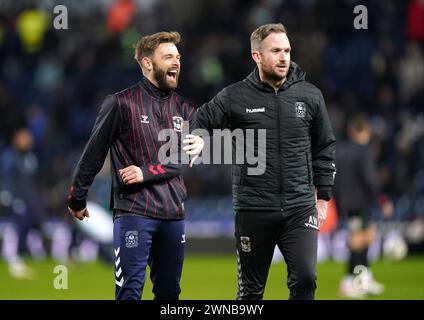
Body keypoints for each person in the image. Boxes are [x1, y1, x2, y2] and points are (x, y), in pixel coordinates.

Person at [186, 23, 336, 300]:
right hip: (253, 208)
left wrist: (323, 196)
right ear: (257, 56)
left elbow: (324, 147)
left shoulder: (310, 95)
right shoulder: (235, 96)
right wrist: (198, 136)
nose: (284, 57)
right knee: (251, 293)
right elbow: (201, 117)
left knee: (305, 278)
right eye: (276, 50)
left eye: (287, 50)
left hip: (300, 207)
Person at [67, 31, 197, 300]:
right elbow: (94, 152)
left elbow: (183, 159)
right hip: (134, 212)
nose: (176, 62)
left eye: (178, 57)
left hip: (173, 215)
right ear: (148, 64)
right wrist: (77, 197)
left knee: (170, 295)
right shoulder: (120, 103)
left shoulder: (185, 108)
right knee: (129, 292)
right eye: (168, 57)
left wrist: (144, 172)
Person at [334, 113, 393, 299]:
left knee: (367, 237)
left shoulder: (340, 150)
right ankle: (348, 281)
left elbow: (334, 177)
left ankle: (364, 279)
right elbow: (370, 179)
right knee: (358, 241)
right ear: (366, 130)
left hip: (346, 202)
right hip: (361, 202)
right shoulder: (366, 151)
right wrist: (382, 200)